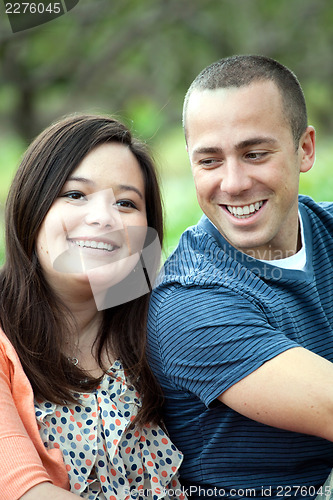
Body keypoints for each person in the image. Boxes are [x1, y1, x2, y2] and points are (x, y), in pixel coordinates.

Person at [147, 55, 333, 499]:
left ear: (304, 149)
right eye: (209, 161)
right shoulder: (189, 301)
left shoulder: (325, 228)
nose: (232, 183)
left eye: (255, 154)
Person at [0, 114, 186, 500]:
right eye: (75, 195)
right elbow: (22, 490)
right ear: (32, 205)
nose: (103, 217)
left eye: (126, 202)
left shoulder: (165, 326)